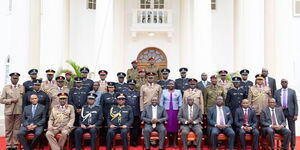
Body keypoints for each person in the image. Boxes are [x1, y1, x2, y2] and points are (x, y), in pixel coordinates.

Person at [0, 72, 25, 150]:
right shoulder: (6, 87)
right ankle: (8, 144)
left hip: (19, 111)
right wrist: (11, 100)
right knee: (8, 129)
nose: (15, 79)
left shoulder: (22, 87)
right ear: (11, 79)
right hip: (9, 111)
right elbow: (1, 100)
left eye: (16, 78)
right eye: (13, 78)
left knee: (16, 129)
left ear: (18, 79)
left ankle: (15, 144)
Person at [274, 79, 298, 150]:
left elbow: (295, 103)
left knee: (292, 130)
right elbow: (274, 103)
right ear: (280, 83)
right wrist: (278, 108)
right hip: (281, 112)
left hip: (290, 112)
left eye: (285, 82)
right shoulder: (277, 92)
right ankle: (283, 145)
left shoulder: (292, 91)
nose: (284, 83)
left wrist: (296, 114)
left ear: (287, 83)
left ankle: (293, 146)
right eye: (282, 82)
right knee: (282, 128)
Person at [160, 80, 182, 148]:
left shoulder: (178, 91)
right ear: (167, 85)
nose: (171, 85)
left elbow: (180, 102)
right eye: (169, 84)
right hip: (166, 111)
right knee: (167, 126)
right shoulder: (164, 91)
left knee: (175, 127)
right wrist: (161, 111)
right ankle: (168, 142)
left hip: (175, 111)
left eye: (172, 84)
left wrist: (180, 111)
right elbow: (161, 102)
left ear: (174, 85)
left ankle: (175, 142)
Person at [124, 79, 140, 146]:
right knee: (126, 127)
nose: (132, 86)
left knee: (135, 128)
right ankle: (126, 141)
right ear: (128, 85)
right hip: (127, 113)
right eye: (130, 84)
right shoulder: (124, 92)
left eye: (133, 85)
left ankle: (134, 141)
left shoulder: (137, 92)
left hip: (136, 113)